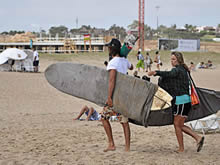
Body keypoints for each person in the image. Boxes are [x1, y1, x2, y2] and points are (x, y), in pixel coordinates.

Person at [148, 51, 204, 153]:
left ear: (178, 60)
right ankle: (187, 144)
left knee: (178, 125)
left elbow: (170, 74)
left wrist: (156, 72)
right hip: (184, 101)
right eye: (171, 59)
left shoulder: (178, 70)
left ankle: (195, 139)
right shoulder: (184, 70)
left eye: (173, 59)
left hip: (182, 101)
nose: (172, 61)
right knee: (178, 125)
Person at [101, 38, 133, 152]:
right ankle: (127, 147)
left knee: (104, 118)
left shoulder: (113, 63)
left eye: (109, 47)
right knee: (124, 122)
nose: (108, 49)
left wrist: (109, 97)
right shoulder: (124, 60)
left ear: (113, 49)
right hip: (125, 95)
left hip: (116, 96)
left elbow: (112, 80)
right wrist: (124, 57)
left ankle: (111, 144)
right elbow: (132, 67)